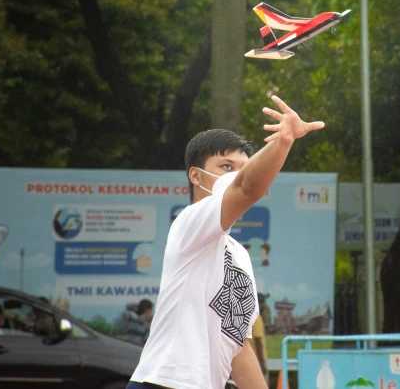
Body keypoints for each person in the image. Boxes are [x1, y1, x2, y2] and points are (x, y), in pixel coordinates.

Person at [128, 95, 324, 389]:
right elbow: (247, 188)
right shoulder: (189, 223)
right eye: (226, 166)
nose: (237, 175)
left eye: (243, 167)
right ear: (196, 175)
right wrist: (283, 141)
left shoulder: (240, 255)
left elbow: (238, 345)